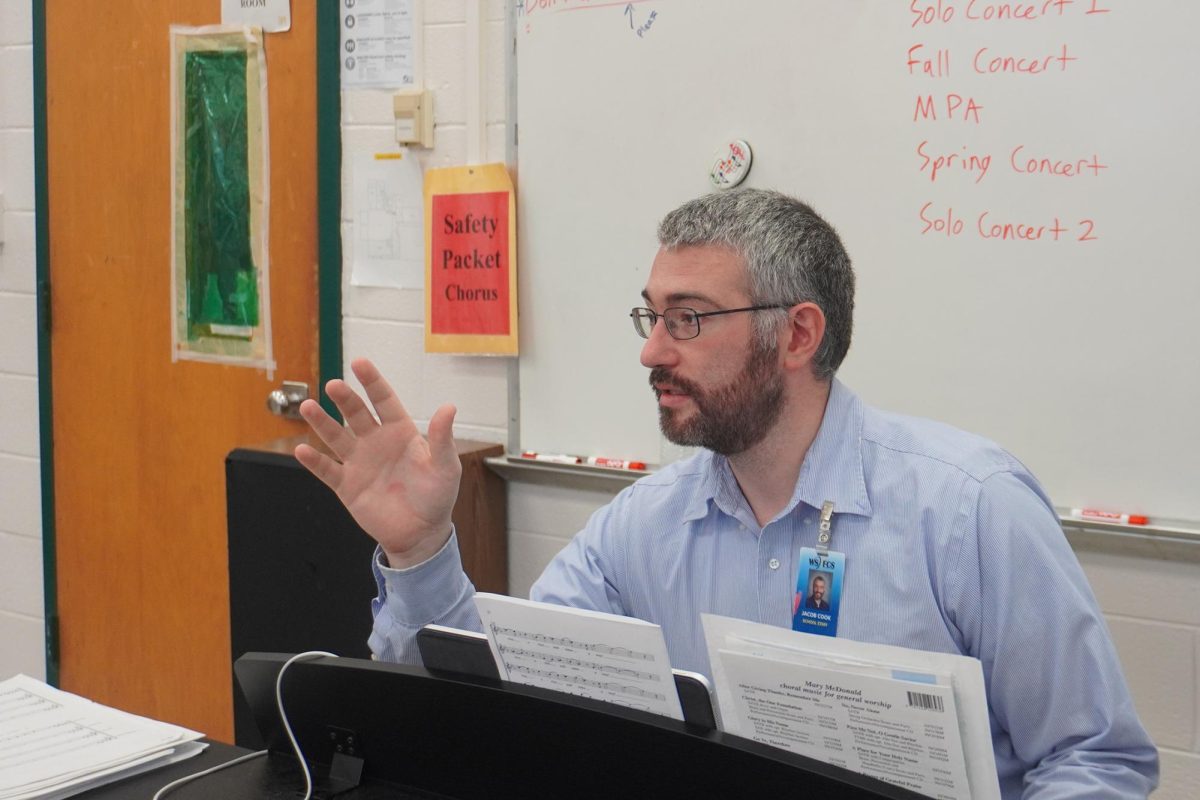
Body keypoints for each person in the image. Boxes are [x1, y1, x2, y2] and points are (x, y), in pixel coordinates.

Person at [296, 189, 1157, 798]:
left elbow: (1096, 762)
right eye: (652, 316)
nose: (652, 352)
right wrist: (417, 551)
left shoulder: (970, 508)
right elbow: (498, 704)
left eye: (689, 318)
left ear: (799, 334)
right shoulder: (643, 525)